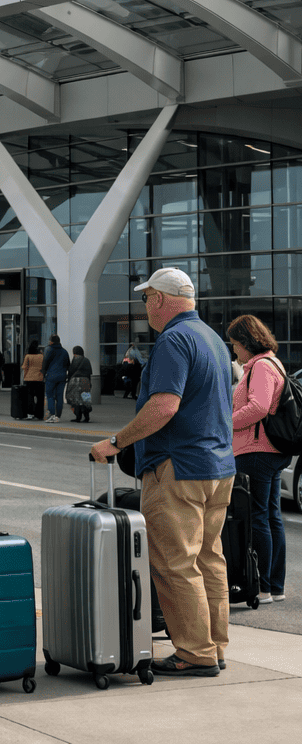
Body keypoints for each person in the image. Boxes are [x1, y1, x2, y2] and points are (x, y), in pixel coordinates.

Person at [91, 267, 235, 677]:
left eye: (145, 299)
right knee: (209, 559)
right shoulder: (213, 339)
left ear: (158, 299)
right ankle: (215, 646)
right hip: (218, 467)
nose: (144, 307)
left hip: (178, 467)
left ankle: (194, 652)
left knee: (175, 563)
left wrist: (116, 443)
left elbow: (164, 406)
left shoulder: (173, 340)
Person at [227, 314, 291, 604]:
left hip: (257, 451)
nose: (234, 351)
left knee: (258, 519)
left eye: (235, 345)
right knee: (272, 518)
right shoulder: (271, 362)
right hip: (270, 451)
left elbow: (258, 408)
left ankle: (263, 587)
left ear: (247, 342)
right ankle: (274, 586)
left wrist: (226, 423)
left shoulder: (261, 367)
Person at [42, 334, 70, 423]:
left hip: (51, 376)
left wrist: (43, 374)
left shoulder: (48, 349)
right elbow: (68, 364)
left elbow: (45, 363)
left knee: (50, 396)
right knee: (59, 397)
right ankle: (58, 416)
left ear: (52, 341)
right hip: (62, 376)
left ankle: (52, 414)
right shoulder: (64, 351)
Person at [66, 345, 93, 423]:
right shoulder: (86, 360)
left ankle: (78, 417)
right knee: (85, 398)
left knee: (76, 399)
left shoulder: (75, 360)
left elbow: (71, 371)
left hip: (75, 381)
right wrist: (89, 383)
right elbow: (89, 373)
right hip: (85, 381)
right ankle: (87, 417)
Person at [21, 340, 45, 420]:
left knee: (29, 397)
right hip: (39, 378)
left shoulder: (28, 356)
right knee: (40, 398)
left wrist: (24, 377)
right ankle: (39, 414)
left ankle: (30, 413)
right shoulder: (41, 356)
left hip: (29, 378)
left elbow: (25, 367)